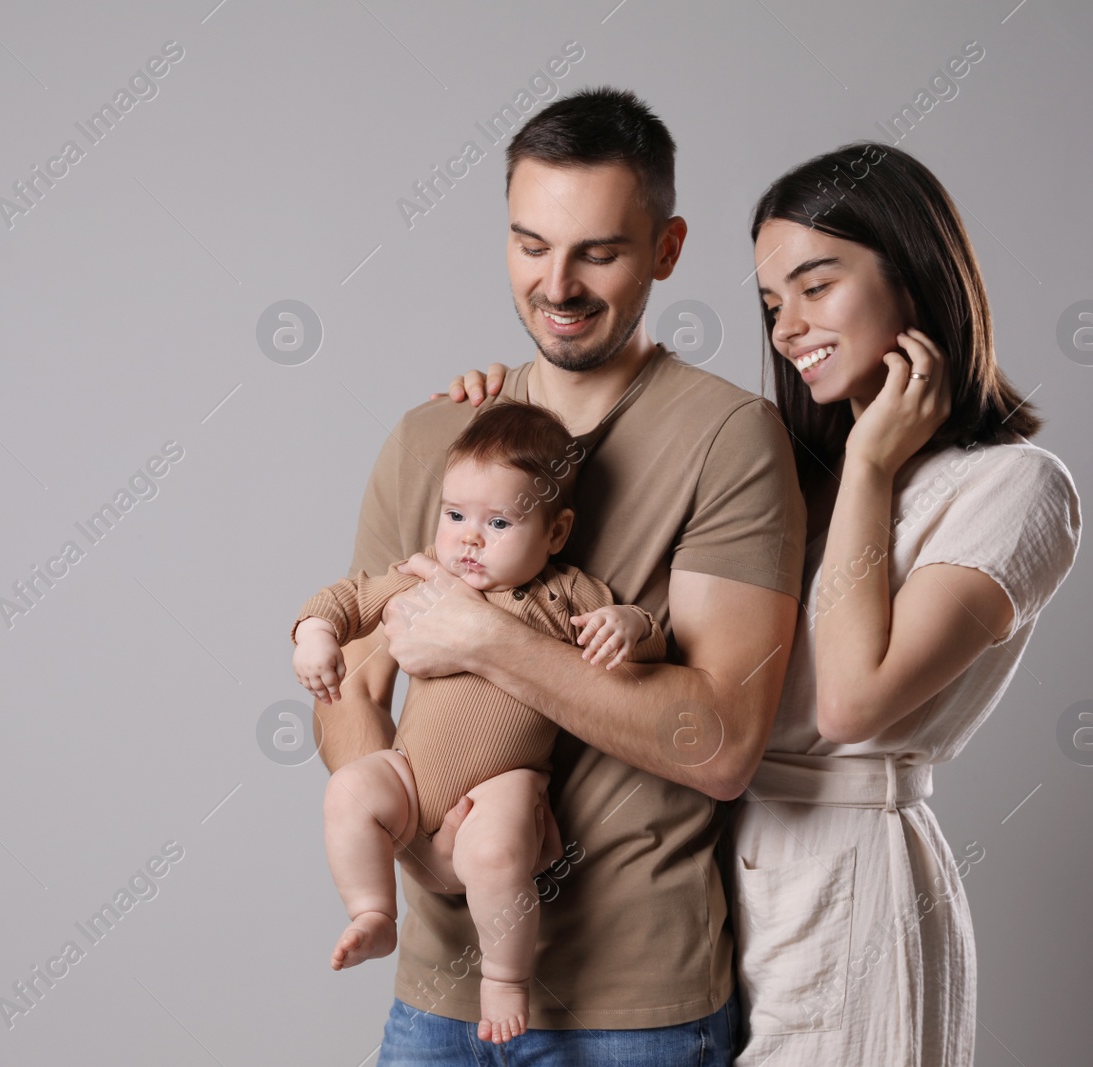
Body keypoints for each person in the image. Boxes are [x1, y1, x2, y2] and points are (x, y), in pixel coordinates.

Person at [439, 140, 1084, 1066]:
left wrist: (870, 461)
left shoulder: (1014, 488)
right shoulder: (788, 465)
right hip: (720, 890)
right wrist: (506, 411)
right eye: (773, 303)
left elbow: (853, 700)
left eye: (817, 287)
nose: (787, 330)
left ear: (914, 276)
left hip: (853, 890)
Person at [321, 87, 806, 1064]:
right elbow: (353, 686)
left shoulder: (730, 439)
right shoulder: (432, 435)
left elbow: (717, 742)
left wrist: (488, 638)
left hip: (635, 1009)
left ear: (666, 251)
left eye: (600, 251)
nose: (559, 283)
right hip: (437, 994)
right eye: (531, 244)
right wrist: (417, 834)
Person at [291, 401, 667, 1044]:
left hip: (506, 782)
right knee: (350, 792)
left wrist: (628, 626)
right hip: (411, 774)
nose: (469, 537)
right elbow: (347, 597)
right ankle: (374, 910)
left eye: (498, 521)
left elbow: (653, 641)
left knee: (493, 856)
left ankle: (504, 979)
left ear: (554, 532)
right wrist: (316, 634)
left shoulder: (564, 593)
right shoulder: (422, 580)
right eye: (455, 515)